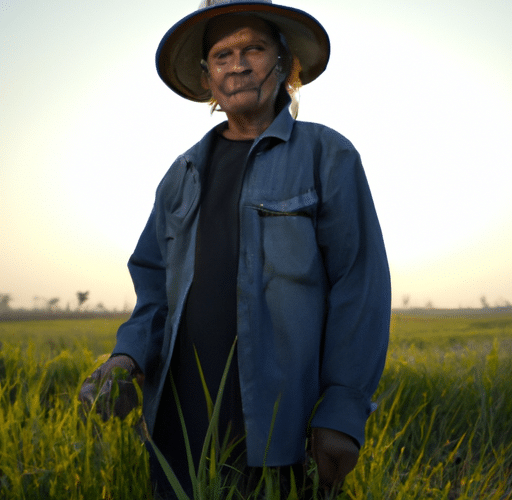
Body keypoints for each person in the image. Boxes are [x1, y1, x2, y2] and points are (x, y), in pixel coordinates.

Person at [79, 0, 391, 498]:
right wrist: (125, 358)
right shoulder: (181, 176)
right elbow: (155, 289)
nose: (238, 64)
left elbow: (359, 286)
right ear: (208, 77)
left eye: (254, 48)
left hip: (280, 431)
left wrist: (342, 410)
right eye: (222, 55)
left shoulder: (326, 156)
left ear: (285, 63)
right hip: (178, 429)